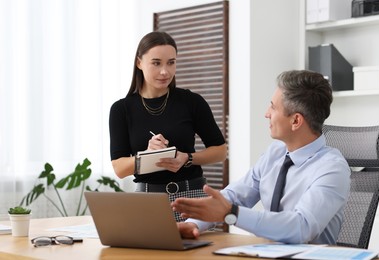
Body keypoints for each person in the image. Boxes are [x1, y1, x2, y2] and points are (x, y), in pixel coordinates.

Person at [171, 70, 351, 244]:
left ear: (296, 121)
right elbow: (236, 196)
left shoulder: (332, 168)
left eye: (273, 107)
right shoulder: (276, 153)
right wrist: (193, 224)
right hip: (266, 252)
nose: (267, 113)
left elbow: (301, 227)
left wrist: (232, 213)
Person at [109, 31, 227, 222]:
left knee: (197, 252)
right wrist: (147, 155)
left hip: (192, 197)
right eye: (156, 63)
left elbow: (220, 151)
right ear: (139, 63)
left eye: (171, 62)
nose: (165, 71)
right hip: (148, 201)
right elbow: (120, 168)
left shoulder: (192, 102)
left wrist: (187, 158)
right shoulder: (121, 109)